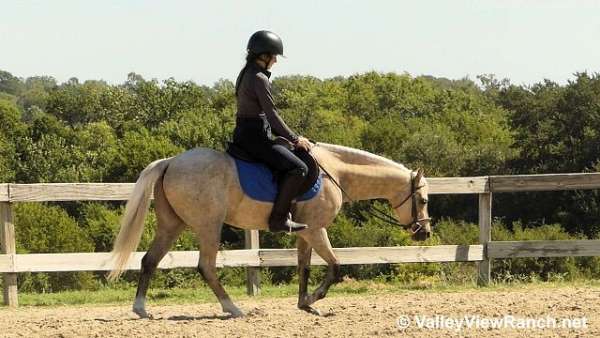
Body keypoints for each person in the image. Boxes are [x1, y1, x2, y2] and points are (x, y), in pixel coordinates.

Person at [233, 30, 312, 233]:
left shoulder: (245, 73)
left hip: (243, 134)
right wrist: (296, 139)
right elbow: (272, 115)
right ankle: (278, 220)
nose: (276, 60)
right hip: (256, 138)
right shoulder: (259, 78)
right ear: (264, 55)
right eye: (274, 56)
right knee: (299, 169)